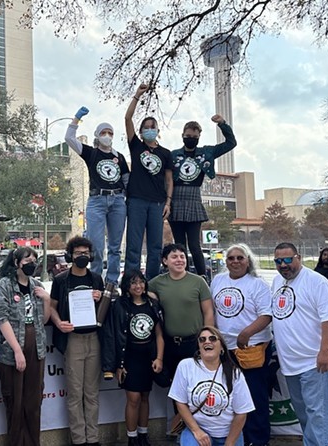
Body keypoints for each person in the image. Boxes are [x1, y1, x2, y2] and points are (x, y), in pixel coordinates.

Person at [271, 242, 328, 446]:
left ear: (298, 258)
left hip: (313, 361)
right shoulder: (276, 282)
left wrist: (324, 351)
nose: (283, 265)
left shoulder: (317, 282)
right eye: (278, 261)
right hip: (290, 363)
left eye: (288, 259)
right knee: (304, 416)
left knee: (318, 415)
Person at [210, 244, 272, 446]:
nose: (235, 261)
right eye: (230, 258)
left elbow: (266, 315)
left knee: (254, 398)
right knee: (230, 397)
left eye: (240, 258)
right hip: (225, 350)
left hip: (251, 348)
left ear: (248, 260)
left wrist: (247, 332)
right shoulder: (218, 280)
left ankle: (258, 440)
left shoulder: (257, 284)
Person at [0, 248, 52, 446]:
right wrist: (17, 350)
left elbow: (44, 320)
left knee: (33, 402)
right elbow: (1, 317)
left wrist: (47, 299)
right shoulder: (5, 285)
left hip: (37, 349)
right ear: (16, 262)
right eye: (27, 259)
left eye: (34, 259)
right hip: (11, 351)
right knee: (15, 402)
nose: (31, 263)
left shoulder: (37, 285)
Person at [65, 107, 130, 285]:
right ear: (97, 135)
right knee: (96, 246)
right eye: (103, 132)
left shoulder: (120, 157)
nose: (107, 136)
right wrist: (76, 119)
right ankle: (95, 281)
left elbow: (127, 180)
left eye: (110, 133)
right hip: (97, 201)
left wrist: (126, 199)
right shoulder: (91, 153)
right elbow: (69, 139)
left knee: (115, 247)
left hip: (117, 201)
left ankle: (112, 283)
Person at [50, 236, 105, 446]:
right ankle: (79, 440)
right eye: (78, 253)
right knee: (74, 393)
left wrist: (101, 299)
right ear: (70, 255)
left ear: (90, 256)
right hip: (72, 339)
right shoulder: (61, 280)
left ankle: (93, 439)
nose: (82, 257)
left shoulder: (96, 279)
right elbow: (52, 307)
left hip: (94, 339)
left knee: (91, 393)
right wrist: (58, 323)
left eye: (85, 253)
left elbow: (104, 311)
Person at [102, 269, 165, 446]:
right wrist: (117, 365)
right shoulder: (119, 306)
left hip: (149, 357)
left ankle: (144, 435)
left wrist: (159, 358)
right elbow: (113, 336)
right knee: (134, 398)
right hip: (129, 357)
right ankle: (132, 437)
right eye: (133, 283)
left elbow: (159, 334)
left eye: (141, 282)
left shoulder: (153, 304)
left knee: (145, 396)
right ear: (127, 287)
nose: (138, 286)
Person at [170, 116, 237, 278]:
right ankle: (180, 276)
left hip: (194, 198)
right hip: (176, 199)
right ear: (182, 136)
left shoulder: (206, 152)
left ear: (199, 137)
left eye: (194, 137)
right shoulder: (173, 155)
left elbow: (231, 143)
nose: (191, 139)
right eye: (188, 136)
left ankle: (202, 277)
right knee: (179, 245)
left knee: (194, 244)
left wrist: (222, 124)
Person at [168, 326, 254, 446]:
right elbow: (180, 402)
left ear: (222, 347)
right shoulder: (185, 366)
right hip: (198, 430)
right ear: (199, 346)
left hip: (229, 434)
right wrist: (196, 431)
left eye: (213, 338)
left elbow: (242, 413)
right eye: (202, 339)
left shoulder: (234, 373)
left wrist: (229, 444)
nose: (207, 341)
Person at [124, 83, 174, 280]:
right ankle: (131, 282)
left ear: (157, 130)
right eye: (145, 128)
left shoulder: (165, 153)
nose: (149, 130)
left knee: (155, 248)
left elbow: (169, 180)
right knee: (134, 247)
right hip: (136, 200)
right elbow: (127, 118)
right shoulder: (136, 146)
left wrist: (168, 203)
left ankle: (152, 284)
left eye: (152, 127)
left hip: (157, 203)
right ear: (141, 131)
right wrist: (137, 94)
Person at [148, 243, 214, 382]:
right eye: (174, 257)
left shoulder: (198, 282)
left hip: (193, 343)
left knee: (196, 384)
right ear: (165, 261)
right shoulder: (157, 283)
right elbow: (140, 291)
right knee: (175, 387)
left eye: (182, 256)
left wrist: (207, 341)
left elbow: (208, 312)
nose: (179, 260)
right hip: (170, 344)